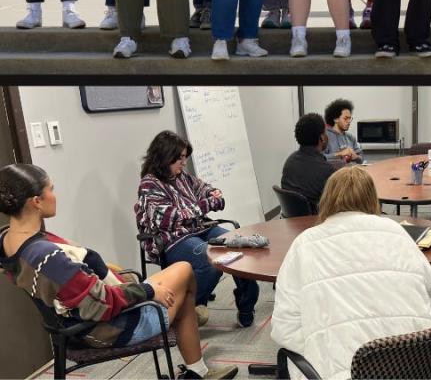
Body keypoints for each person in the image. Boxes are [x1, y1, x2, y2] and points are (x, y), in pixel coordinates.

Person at [0, 164, 238, 380]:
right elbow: (99, 304)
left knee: (181, 281)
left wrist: (111, 271)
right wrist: (147, 290)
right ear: (36, 201)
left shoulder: (10, 241)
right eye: (51, 189)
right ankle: (196, 365)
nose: (55, 194)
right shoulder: (45, 255)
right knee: (185, 274)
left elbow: (78, 271)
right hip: (106, 329)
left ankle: (195, 359)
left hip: (78, 319)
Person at [271, 167, 431, 379]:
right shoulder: (397, 231)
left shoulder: (304, 243)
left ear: (327, 200)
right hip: (414, 367)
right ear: (372, 199)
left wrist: (321, 346)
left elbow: (284, 327)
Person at [135, 131, 259, 329]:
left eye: (185, 157)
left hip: (198, 229)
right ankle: (183, 310)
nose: (184, 163)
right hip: (171, 238)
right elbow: (169, 218)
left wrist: (212, 193)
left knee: (239, 249)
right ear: (165, 156)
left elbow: (204, 189)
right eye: (180, 158)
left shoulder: (182, 177)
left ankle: (246, 305)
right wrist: (205, 205)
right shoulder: (149, 184)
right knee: (212, 261)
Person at [280, 113, 338, 208]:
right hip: (315, 220)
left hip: (292, 220)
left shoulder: (289, 161)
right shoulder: (327, 171)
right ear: (322, 138)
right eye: (325, 132)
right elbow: (337, 204)